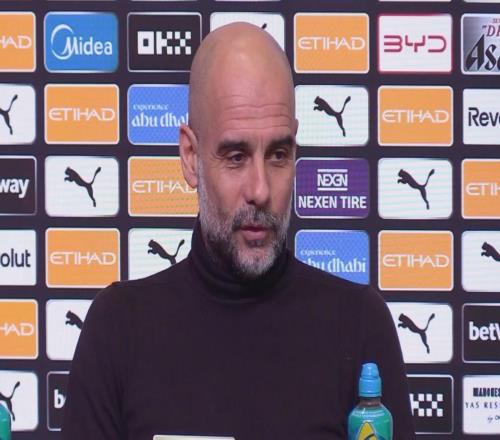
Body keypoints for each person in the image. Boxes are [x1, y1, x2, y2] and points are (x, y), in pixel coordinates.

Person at [62, 23, 415, 440]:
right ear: (190, 157)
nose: (260, 190)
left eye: (278, 155)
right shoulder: (118, 330)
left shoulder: (359, 325)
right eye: (235, 156)